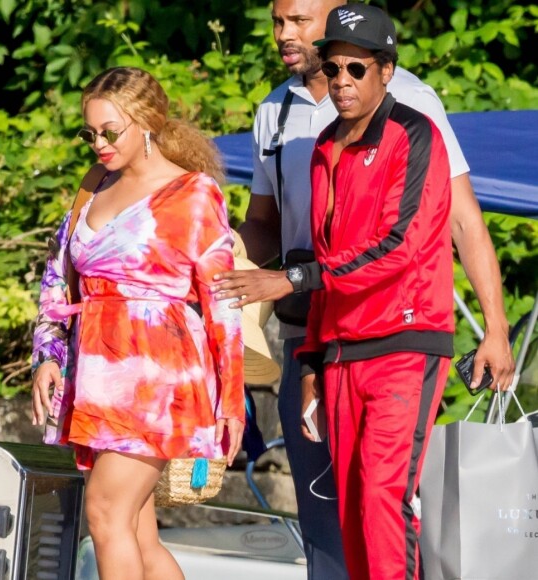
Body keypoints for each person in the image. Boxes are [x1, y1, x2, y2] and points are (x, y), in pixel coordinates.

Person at [212, 1, 515, 578]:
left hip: (397, 328)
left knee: (382, 501)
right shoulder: (284, 117)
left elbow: (456, 223)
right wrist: (214, 260)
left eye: (300, 21)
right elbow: (272, 228)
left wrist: (495, 327)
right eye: (278, 21)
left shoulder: (413, 113)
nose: (285, 34)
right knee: (332, 513)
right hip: (321, 330)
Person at [31, 66, 245, 580]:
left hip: (158, 379)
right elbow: (57, 283)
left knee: (105, 514)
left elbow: (224, 303)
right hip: (97, 378)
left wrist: (231, 402)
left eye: (110, 131)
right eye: (89, 133)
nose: (98, 144)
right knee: (138, 535)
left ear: (146, 122)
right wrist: (48, 357)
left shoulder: (192, 195)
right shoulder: (92, 190)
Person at [295, 5, 453, 577]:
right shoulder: (323, 149)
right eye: (332, 68)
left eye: (356, 69)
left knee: (383, 501)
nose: (341, 82)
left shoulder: (415, 133)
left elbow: (398, 245)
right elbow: (326, 251)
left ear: (386, 70)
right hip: (341, 354)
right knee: (352, 509)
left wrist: (293, 278)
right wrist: (312, 358)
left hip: (405, 343)